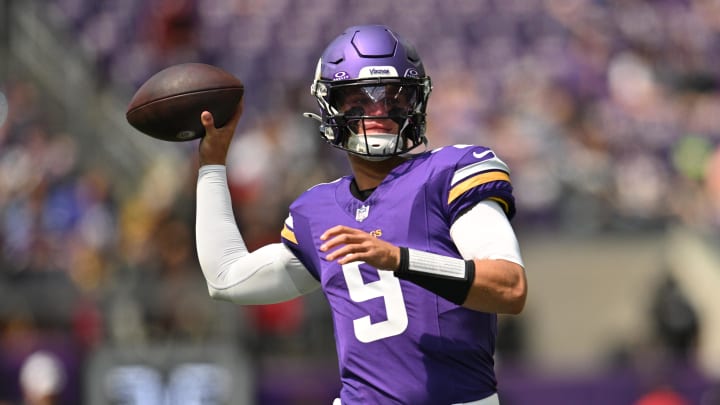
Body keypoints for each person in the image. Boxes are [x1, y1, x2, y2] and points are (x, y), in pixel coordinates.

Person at [195, 24, 527, 405]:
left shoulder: (452, 172)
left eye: (395, 99)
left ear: (417, 103)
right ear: (330, 108)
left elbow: (509, 288)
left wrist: (398, 259)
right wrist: (212, 165)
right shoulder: (317, 210)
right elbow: (226, 280)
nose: (379, 112)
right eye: (357, 101)